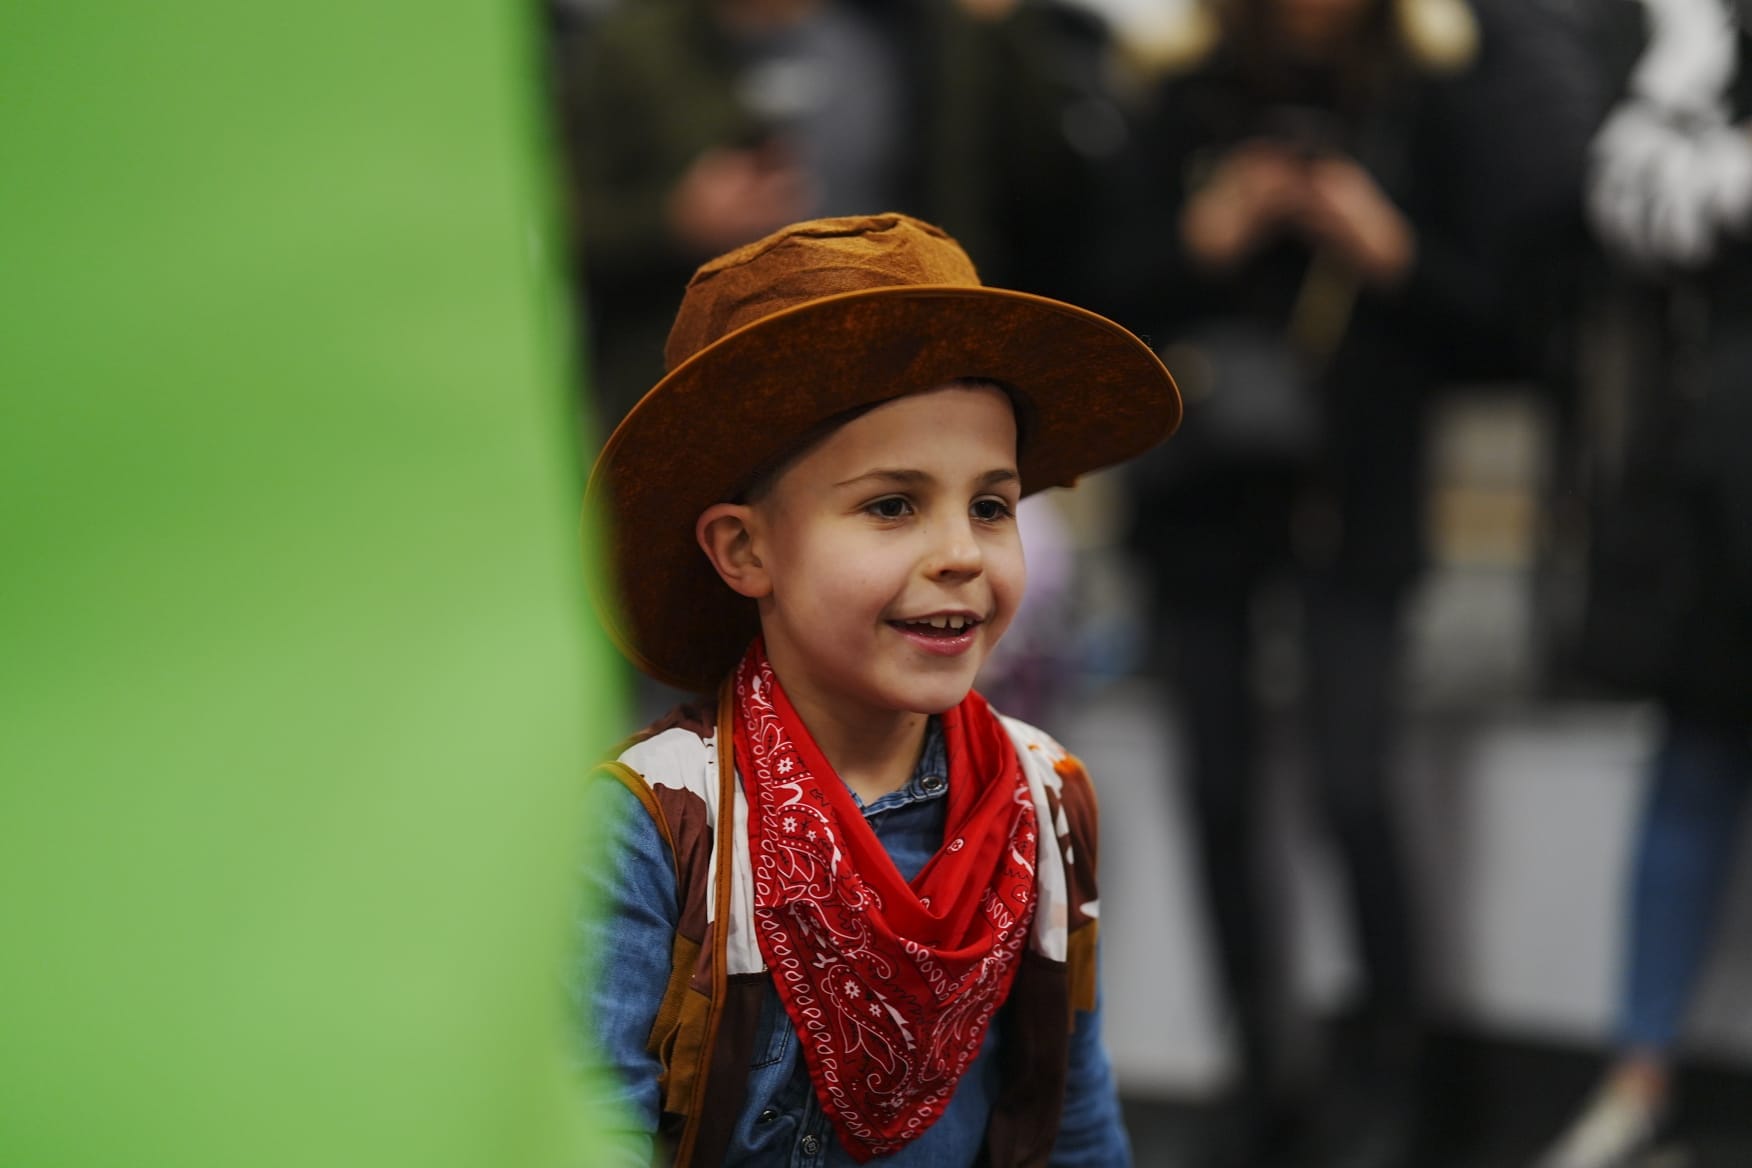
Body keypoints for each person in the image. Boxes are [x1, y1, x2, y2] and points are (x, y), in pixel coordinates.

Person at [575, 213, 1181, 1166]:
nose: (960, 553)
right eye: (893, 505)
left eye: (991, 505)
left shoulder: (1043, 801)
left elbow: (1074, 1122)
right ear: (745, 550)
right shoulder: (656, 828)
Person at [1084, 1, 1506, 1164]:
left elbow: (1506, 328)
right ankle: (1259, 1069)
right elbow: (1094, 302)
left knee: (1354, 786)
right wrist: (1205, 234)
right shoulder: (1182, 109)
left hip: (1356, 499)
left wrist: (1386, 244)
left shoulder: (1424, 110)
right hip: (1201, 504)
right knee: (1215, 789)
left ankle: (1395, 1076)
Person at [1533, 1, 1752, 1165]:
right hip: (1723, 467)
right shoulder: (1702, 37)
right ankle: (1640, 1072)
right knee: (1694, 757)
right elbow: (1626, 197)